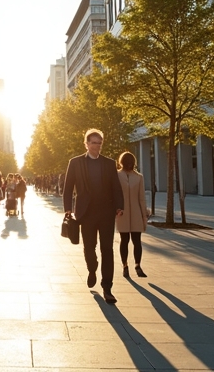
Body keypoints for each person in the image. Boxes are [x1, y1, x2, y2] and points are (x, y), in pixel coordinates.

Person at [63, 129, 124, 304]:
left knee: (107, 250)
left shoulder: (109, 163)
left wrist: (120, 206)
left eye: (99, 143)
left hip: (106, 212)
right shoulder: (75, 163)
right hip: (86, 213)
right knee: (89, 248)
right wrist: (68, 209)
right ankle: (92, 268)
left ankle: (107, 288)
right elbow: (68, 188)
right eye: (93, 142)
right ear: (86, 144)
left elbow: (116, 187)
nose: (96, 146)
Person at [116, 151, 149, 278]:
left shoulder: (139, 177)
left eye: (131, 163)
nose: (129, 165)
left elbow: (141, 197)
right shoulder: (117, 175)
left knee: (137, 240)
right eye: (126, 163)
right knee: (124, 240)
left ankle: (138, 265)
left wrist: (144, 213)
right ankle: (125, 266)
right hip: (122, 212)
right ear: (122, 163)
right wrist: (116, 209)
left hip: (136, 212)